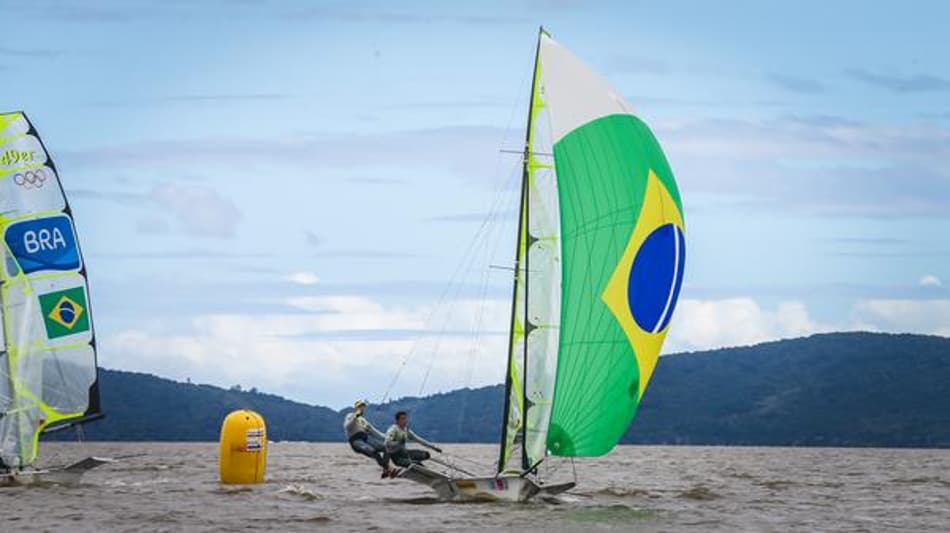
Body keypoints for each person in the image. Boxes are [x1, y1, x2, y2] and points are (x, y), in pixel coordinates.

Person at [343, 399, 392, 477]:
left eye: (363, 407)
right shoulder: (350, 415)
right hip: (356, 441)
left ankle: (386, 470)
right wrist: (356, 416)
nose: (362, 408)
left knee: (387, 448)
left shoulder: (364, 421)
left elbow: (375, 433)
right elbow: (347, 426)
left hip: (366, 439)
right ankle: (388, 468)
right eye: (360, 407)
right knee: (374, 452)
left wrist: (388, 438)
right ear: (356, 408)